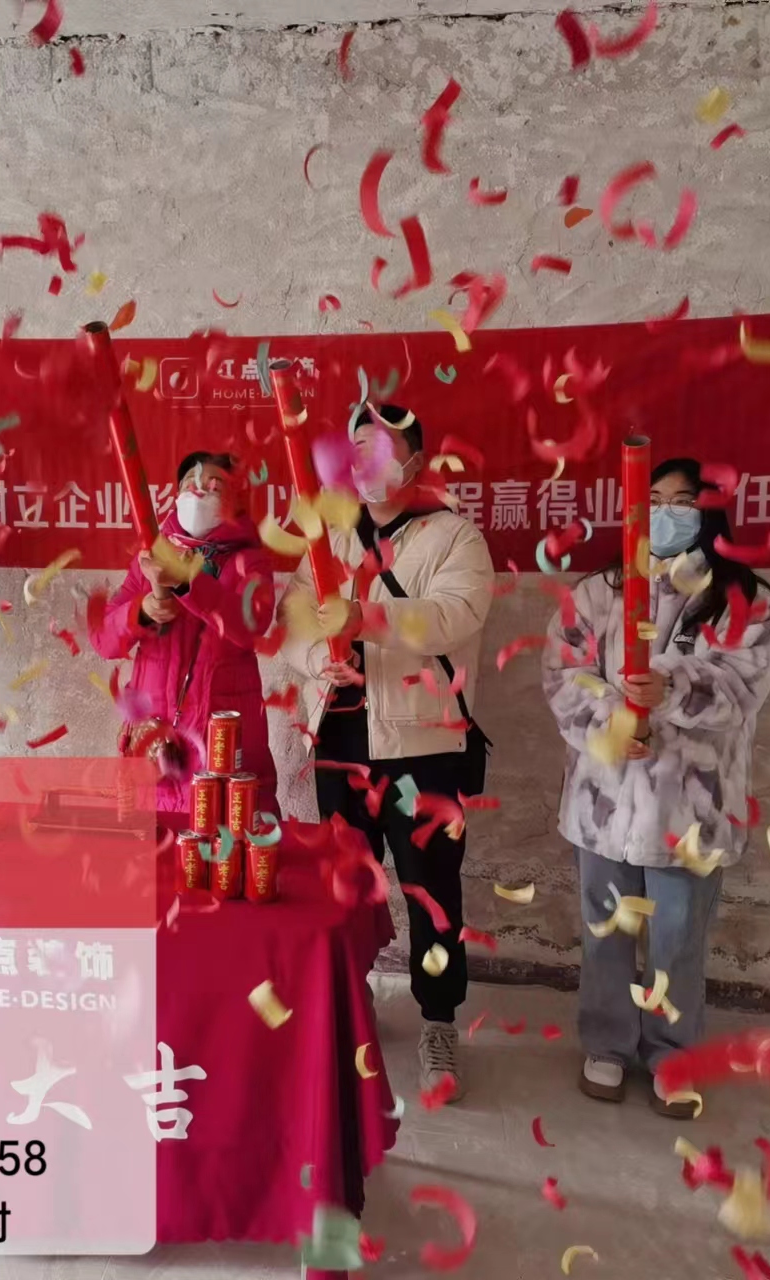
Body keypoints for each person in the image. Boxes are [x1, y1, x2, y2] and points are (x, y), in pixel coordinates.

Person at [541, 455, 770, 1117]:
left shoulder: (746, 600)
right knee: (605, 929)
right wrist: (614, 722)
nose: (666, 512)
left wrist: (671, 690)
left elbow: (742, 688)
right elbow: (563, 676)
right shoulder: (599, 592)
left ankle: (673, 1052)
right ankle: (607, 1042)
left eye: (682, 501)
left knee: (678, 939)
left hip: (692, 806)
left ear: (710, 512)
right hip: (606, 799)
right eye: (653, 499)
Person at [279, 403, 494, 1101]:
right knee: (347, 888)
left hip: (423, 747)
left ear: (415, 463)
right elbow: (293, 617)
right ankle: (352, 1002)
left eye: (381, 451)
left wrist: (363, 617)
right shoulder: (331, 538)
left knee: (431, 891)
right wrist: (320, 659)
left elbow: (454, 615)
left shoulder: (454, 536)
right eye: (357, 451)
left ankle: (438, 1020)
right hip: (341, 738)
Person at [87, 451, 279, 815]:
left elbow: (250, 626)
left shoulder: (249, 560)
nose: (199, 491)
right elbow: (104, 640)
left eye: (214, 485)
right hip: (156, 748)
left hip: (220, 746)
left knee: (225, 840)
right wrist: (141, 611)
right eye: (190, 484)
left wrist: (188, 582)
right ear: (175, 496)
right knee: (156, 841)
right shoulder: (150, 558)